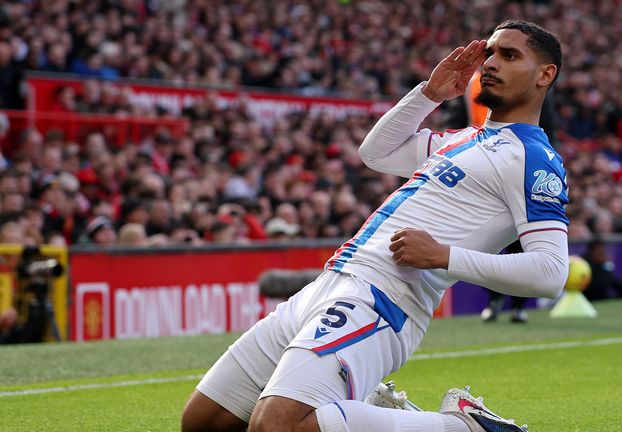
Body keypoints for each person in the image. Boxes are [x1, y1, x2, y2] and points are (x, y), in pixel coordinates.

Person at [182, 20, 569, 432]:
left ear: (545, 75)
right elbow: (377, 153)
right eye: (489, 52)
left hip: (384, 299)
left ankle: (463, 427)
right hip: (328, 283)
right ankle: (379, 414)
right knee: (205, 421)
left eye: (509, 55)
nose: (490, 63)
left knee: (277, 427)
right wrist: (430, 94)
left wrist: (444, 257)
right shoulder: (461, 139)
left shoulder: (534, 159)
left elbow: (550, 273)